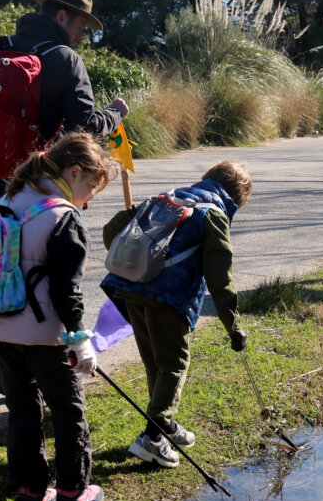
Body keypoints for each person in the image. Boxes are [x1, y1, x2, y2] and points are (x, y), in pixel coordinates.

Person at [0, 0, 128, 390]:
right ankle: (44, 360)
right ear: (63, 15)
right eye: (82, 26)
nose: (83, 36)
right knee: (53, 270)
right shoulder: (65, 58)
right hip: (45, 188)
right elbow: (85, 125)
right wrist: (115, 114)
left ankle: (2, 351)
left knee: (5, 263)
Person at [0, 133, 119, 501]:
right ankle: (73, 494)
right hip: (44, 334)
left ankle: (29, 493)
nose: (88, 200)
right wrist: (80, 340)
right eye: (90, 186)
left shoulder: (7, 200)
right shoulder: (62, 216)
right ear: (74, 172)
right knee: (67, 409)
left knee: (22, 409)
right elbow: (66, 291)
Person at [99, 162, 252, 468]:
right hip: (169, 299)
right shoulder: (214, 215)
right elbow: (221, 280)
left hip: (129, 289)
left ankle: (165, 426)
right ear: (237, 199)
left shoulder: (165, 197)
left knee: (155, 362)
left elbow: (111, 230)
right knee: (173, 363)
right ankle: (153, 438)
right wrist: (234, 327)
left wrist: (136, 268)